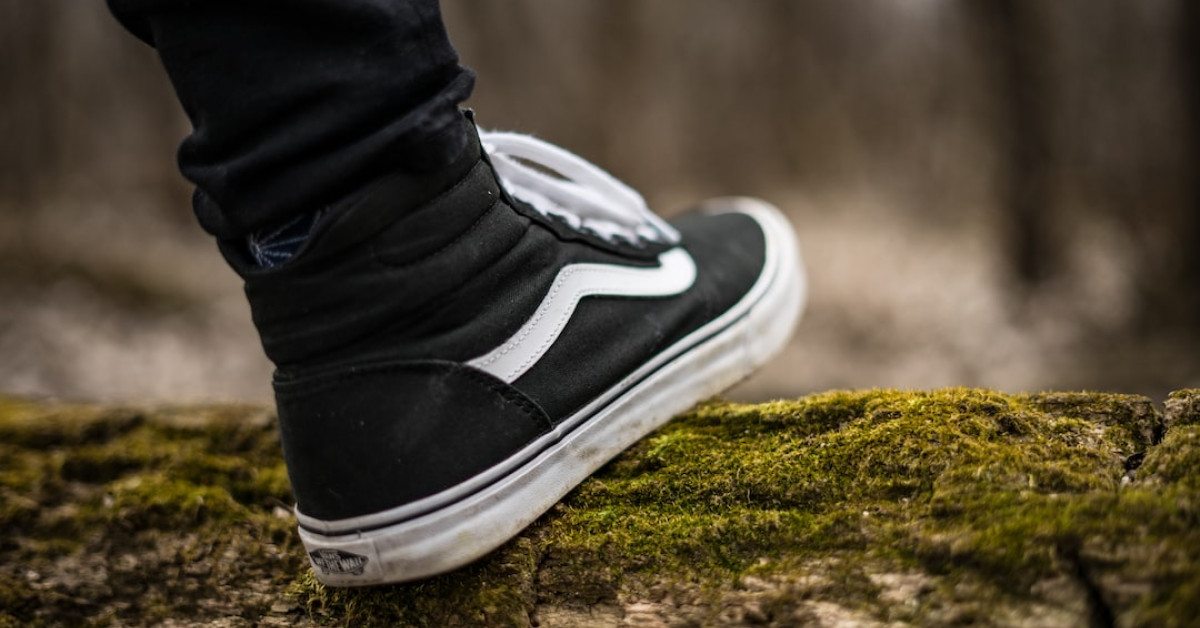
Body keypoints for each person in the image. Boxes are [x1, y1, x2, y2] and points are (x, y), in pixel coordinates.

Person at [106, 0, 806, 586]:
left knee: (316, 221)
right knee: (364, 195)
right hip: (428, 277)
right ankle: (448, 269)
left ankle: (345, 276)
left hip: (310, 359)